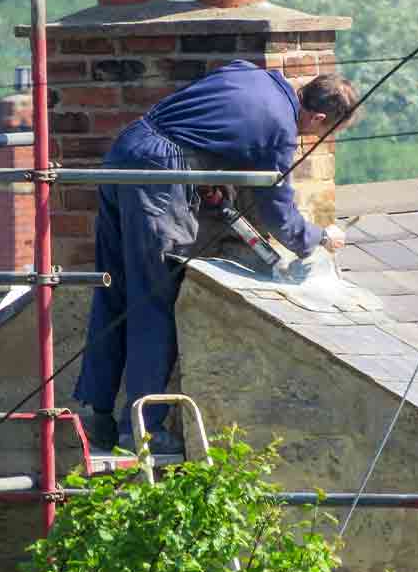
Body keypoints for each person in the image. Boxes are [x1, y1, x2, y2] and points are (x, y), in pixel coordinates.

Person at [74, 60, 355, 453]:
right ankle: (142, 433)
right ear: (320, 117)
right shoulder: (281, 131)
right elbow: (278, 213)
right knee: (153, 300)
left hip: (127, 149)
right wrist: (318, 238)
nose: (313, 139)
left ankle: (96, 413)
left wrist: (204, 175)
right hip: (160, 176)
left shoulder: (249, 72)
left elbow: (202, 124)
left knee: (115, 287)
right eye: (324, 133)